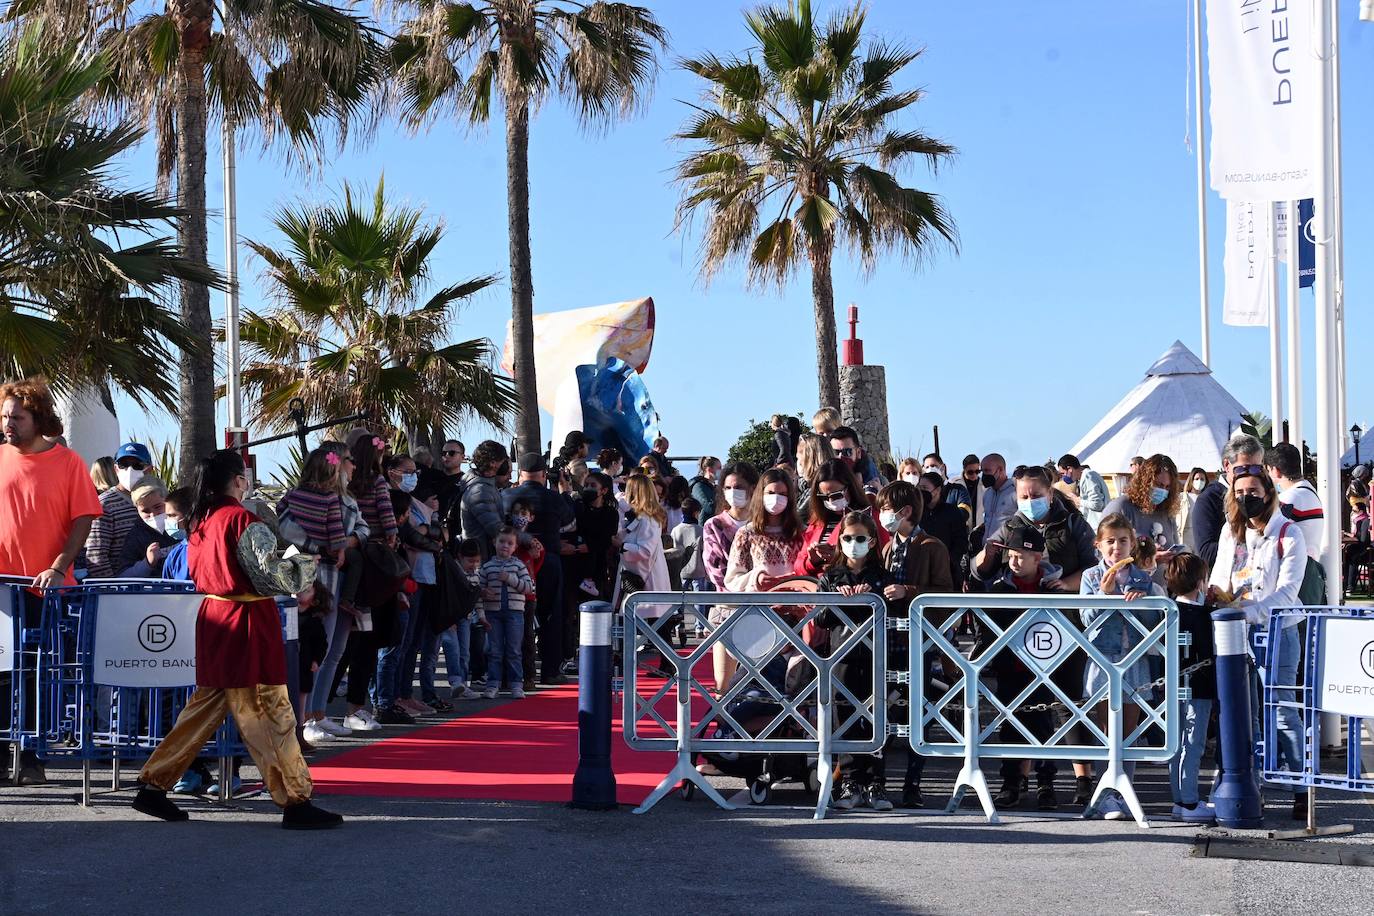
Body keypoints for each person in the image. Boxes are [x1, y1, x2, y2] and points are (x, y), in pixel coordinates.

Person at [131, 449, 340, 829]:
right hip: (246, 623)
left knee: (201, 712)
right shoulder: (242, 520)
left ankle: (153, 785)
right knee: (270, 712)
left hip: (214, 619)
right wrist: (304, 563)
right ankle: (295, 800)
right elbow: (275, 577)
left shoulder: (201, 521)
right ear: (239, 480)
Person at [0, 378, 103, 784]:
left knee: (34, 673)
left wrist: (59, 567)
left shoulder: (68, 462)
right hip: (2, 589)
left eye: (17, 418)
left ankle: (31, 758)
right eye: (5, 417)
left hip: (44, 588)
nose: (8, 424)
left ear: (38, 417)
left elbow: (84, 518)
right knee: (2, 671)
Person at [1207, 461, 1308, 819]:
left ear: (1268, 492)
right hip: (1236, 635)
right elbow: (1221, 576)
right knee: (1241, 713)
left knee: (1281, 711)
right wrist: (1216, 596)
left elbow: (1287, 592)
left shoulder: (1289, 534)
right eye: (1239, 492)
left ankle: (1301, 787)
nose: (1246, 497)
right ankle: (1248, 785)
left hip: (1278, 631)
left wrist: (1249, 612)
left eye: (1253, 491)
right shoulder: (1230, 532)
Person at [1078, 512, 1166, 820]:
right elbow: (1086, 621)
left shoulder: (1143, 577)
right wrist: (1103, 596)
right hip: (1104, 658)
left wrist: (1142, 603)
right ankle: (1106, 794)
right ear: (1099, 545)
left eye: (1123, 541)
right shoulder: (1090, 577)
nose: (1117, 547)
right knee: (1107, 730)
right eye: (1111, 542)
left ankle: (1125, 790)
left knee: (1129, 732)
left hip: (1135, 658)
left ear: (1132, 544)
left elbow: (1155, 622)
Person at [980, 525, 1069, 811]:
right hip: (1010, 668)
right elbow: (988, 628)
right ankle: (1011, 782)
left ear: (1037, 558)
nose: (1015, 561)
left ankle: (1046, 782)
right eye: (1012, 555)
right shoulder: (1000, 588)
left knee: (1043, 725)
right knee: (1010, 725)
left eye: (1022, 556)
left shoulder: (1054, 588)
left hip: (1044, 669)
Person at [875, 481, 953, 807]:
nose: (882, 515)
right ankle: (877, 783)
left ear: (905, 511)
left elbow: (946, 594)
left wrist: (910, 591)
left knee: (918, 715)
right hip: (887, 641)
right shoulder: (886, 548)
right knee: (880, 711)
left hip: (918, 642)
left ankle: (913, 784)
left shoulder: (932, 546)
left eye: (885, 509)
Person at [818, 511, 894, 812]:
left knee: (877, 717)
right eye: (847, 538)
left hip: (876, 657)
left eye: (860, 538)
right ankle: (850, 781)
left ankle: (876, 782)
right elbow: (821, 619)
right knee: (844, 718)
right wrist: (840, 601)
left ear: (872, 541)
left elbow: (893, 611)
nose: (853, 543)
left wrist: (871, 597)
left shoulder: (882, 576)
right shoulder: (831, 577)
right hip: (842, 659)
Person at [503, 453, 575, 687]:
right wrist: (565, 492)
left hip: (515, 560)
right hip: (549, 560)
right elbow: (569, 520)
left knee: (516, 616)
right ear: (544, 474)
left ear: (520, 474)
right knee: (551, 615)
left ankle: (518, 673)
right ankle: (550, 670)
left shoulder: (507, 496)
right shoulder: (553, 498)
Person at [974, 464, 1098, 592]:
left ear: (1050, 494)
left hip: (1061, 600)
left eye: (1036, 496)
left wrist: (1066, 584)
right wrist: (987, 554)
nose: (1030, 502)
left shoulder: (1074, 524)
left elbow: (1093, 567)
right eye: (1024, 497)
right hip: (1018, 600)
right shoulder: (1009, 528)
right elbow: (980, 572)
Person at [1163, 553, 1218, 825]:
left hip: (1171, 685)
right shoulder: (1206, 616)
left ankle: (1179, 800)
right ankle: (1190, 801)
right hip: (1200, 686)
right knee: (1193, 745)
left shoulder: (1168, 611)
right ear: (1200, 583)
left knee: (1175, 745)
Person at [703, 462, 759, 689]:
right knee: (723, 685)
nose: (733, 492)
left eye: (739, 487)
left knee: (758, 684)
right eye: (728, 487)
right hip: (727, 609)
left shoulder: (764, 524)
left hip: (763, 612)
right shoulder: (714, 525)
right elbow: (715, 571)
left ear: (753, 488)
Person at [794, 459, 887, 577]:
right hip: (819, 585)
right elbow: (798, 566)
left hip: (855, 584)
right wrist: (812, 562)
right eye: (824, 497)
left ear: (851, 488)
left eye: (837, 495)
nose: (831, 501)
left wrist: (841, 557)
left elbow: (883, 557)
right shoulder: (817, 523)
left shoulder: (870, 516)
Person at [724, 468, 804, 594]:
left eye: (782, 494)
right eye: (770, 493)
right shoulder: (746, 534)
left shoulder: (801, 533)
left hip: (796, 604)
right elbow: (732, 580)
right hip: (760, 604)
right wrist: (756, 579)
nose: (776, 498)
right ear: (761, 495)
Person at [479, 526, 537, 699]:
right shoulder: (487, 567)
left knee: (514, 650)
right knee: (494, 651)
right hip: (493, 614)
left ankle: (516, 684)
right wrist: (483, 594)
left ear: (515, 547)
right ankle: (493, 684)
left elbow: (529, 587)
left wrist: (510, 579)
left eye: (509, 543)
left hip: (515, 614)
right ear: (494, 542)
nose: (505, 545)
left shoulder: (519, 565)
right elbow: (479, 589)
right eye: (502, 541)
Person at [1190, 434, 1263, 566]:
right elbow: (1206, 553)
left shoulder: (1262, 495)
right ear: (1227, 465)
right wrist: (1249, 542)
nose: (1249, 475)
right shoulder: (1209, 499)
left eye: (1255, 469)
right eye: (1242, 469)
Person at [85, 440, 153, 578]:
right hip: (120, 587)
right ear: (116, 469)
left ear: (149, 469)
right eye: (124, 465)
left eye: (137, 465)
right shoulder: (104, 504)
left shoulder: (157, 499)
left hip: (157, 584)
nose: (129, 470)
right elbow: (96, 556)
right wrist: (113, 587)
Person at [612, 474, 672, 623]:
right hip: (639, 581)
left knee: (647, 627)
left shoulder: (648, 519)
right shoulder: (641, 517)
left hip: (646, 583)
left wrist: (622, 545)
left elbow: (645, 550)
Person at [1103, 453, 1182, 559]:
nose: (1163, 490)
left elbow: (1175, 544)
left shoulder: (1166, 511)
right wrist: (1148, 559)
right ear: (1145, 482)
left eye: (1167, 487)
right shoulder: (1121, 507)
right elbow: (1106, 554)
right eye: (1158, 485)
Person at [1265, 442, 1326, 561]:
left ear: (1276, 471)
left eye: (1268, 471)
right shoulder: (1309, 491)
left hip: (1293, 566)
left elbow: (1268, 535)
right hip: (1309, 563)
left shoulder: (1289, 498)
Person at [114, 475, 179, 577]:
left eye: (158, 507)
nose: (153, 515)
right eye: (146, 511)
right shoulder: (136, 536)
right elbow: (123, 576)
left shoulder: (183, 523)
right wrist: (147, 563)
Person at [915, 472, 969, 587]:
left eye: (925, 488)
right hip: (921, 569)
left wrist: (948, 559)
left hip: (948, 570)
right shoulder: (917, 512)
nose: (921, 491)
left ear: (937, 490)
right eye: (919, 488)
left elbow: (961, 541)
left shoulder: (952, 512)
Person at [461, 440, 510, 558]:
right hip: (482, 560)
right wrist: (526, 539)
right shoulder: (480, 491)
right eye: (503, 461)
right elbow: (496, 529)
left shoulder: (488, 487)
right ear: (493, 463)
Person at [1056, 454, 1108, 531]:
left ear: (1069, 468)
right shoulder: (1084, 478)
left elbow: (1097, 504)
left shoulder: (1088, 476)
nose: (1063, 477)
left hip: (1099, 527)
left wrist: (1078, 500)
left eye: (1063, 473)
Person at [977, 453, 1016, 547]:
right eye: (982, 471)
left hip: (1007, 549)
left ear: (1000, 470)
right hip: (987, 549)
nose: (984, 475)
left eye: (987, 471)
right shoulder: (987, 494)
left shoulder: (1016, 493)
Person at [829, 425, 882, 492]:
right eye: (835, 452)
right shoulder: (826, 472)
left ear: (858, 453)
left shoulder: (868, 470)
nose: (840, 457)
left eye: (847, 452)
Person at [436, 439, 466, 544]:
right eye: (444, 453)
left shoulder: (465, 482)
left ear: (462, 457)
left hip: (456, 537)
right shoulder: (433, 478)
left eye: (452, 453)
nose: (447, 456)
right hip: (433, 534)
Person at [794, 434, 831, 513]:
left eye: (798, 458)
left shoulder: (814, 492)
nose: (798, 463)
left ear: (809, 460)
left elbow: (798, 516)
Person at [1343, 496, 1371, 594]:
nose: (1352, 513)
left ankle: (1349, 585)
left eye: (1354, 511)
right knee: (1347, 554)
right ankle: (1346, 584)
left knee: (1351, 557)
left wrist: (1350, 538)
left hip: (1365, 550)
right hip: (1361, 548)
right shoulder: (1360, 521)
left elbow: (1362, 539)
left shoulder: (1365, 521)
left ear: (1360, 511)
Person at [689, 456, 720, 522]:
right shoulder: (698, 486)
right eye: (719, 468)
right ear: (709, 469)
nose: (721, 471)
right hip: (703, 525)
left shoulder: (713, 487)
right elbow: (709, 507)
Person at [960, 454, 983, 529]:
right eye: (970, 472)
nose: (974, 474)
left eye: (977, 471)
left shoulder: (984, 486)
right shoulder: (955, 484)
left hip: (979, 527)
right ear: (964, 469)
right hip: (961, 526)